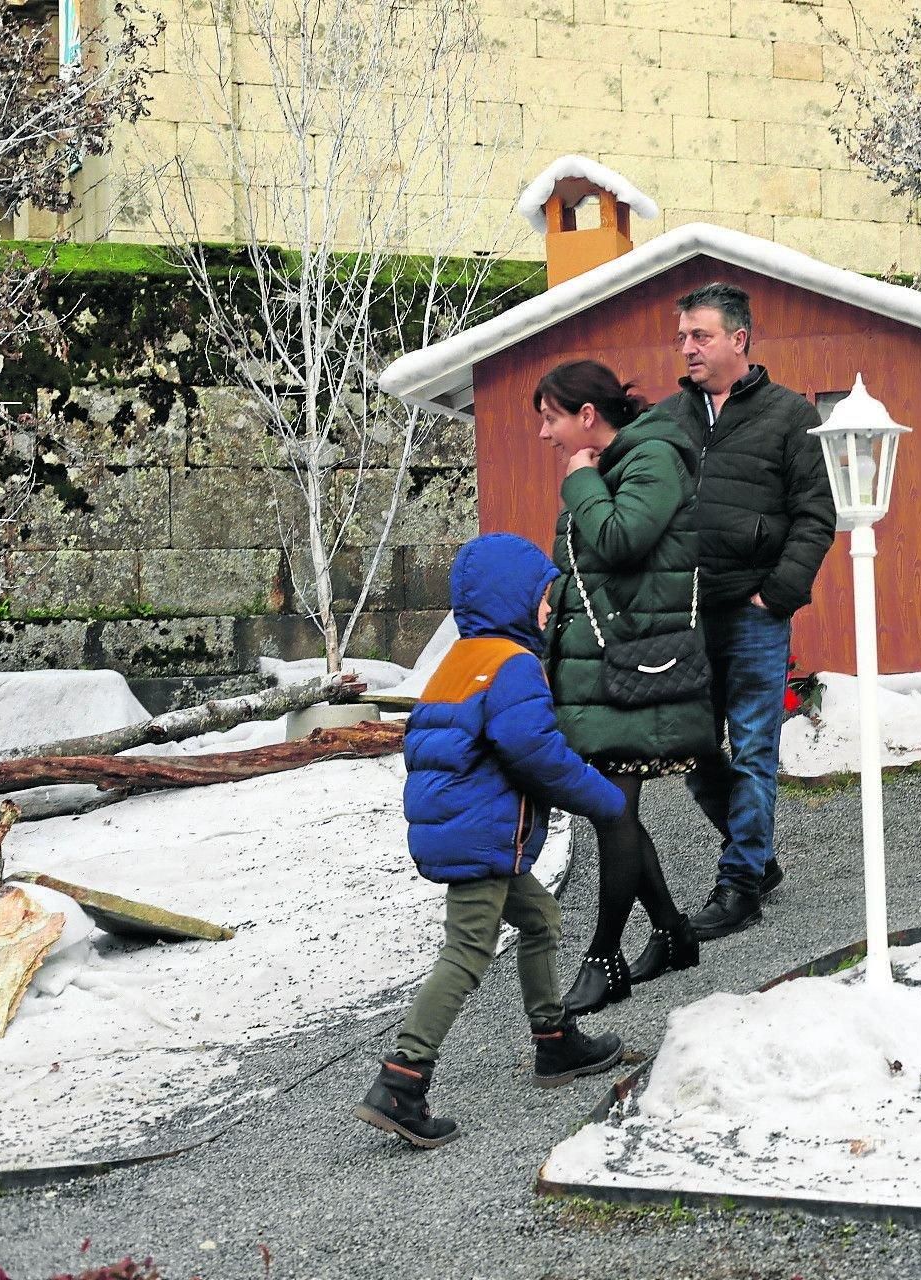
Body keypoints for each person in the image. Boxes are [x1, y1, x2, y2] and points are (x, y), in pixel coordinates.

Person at [355, 533, 630, 1150]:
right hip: (483, 835)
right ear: (513, 598)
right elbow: (537, 754)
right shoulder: (511, 665)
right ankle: (402, 1079)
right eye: (542, 597)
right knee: (467, 949)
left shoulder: (458, 661)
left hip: (465, 827)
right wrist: (605, 800)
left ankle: (554, 1041)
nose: (549, 608)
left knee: (540, 918)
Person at [537, 360, 717, 1015]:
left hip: (641, 665)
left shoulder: (651, 460)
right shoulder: (613, 464)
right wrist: (554, 596)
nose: (544, 434)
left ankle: (604, 957)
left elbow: (620, 540)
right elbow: (598, 568)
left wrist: (581, 479)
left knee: (612, 808)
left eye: (551, 418)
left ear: (587, 415)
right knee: (609, 806)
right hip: (610, 665)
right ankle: (671, 931)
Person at [659, 282, 835, 942]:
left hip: (755, 614)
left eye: (700, 335)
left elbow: (816, 515)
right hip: (686, 616)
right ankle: (757, 857)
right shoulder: (667, 420)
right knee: (692, 749)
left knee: (755, 747)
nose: (687, 348)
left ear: (738, 339)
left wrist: (777, 594)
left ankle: (738, 887)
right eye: (682, 337)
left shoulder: (789, 416)